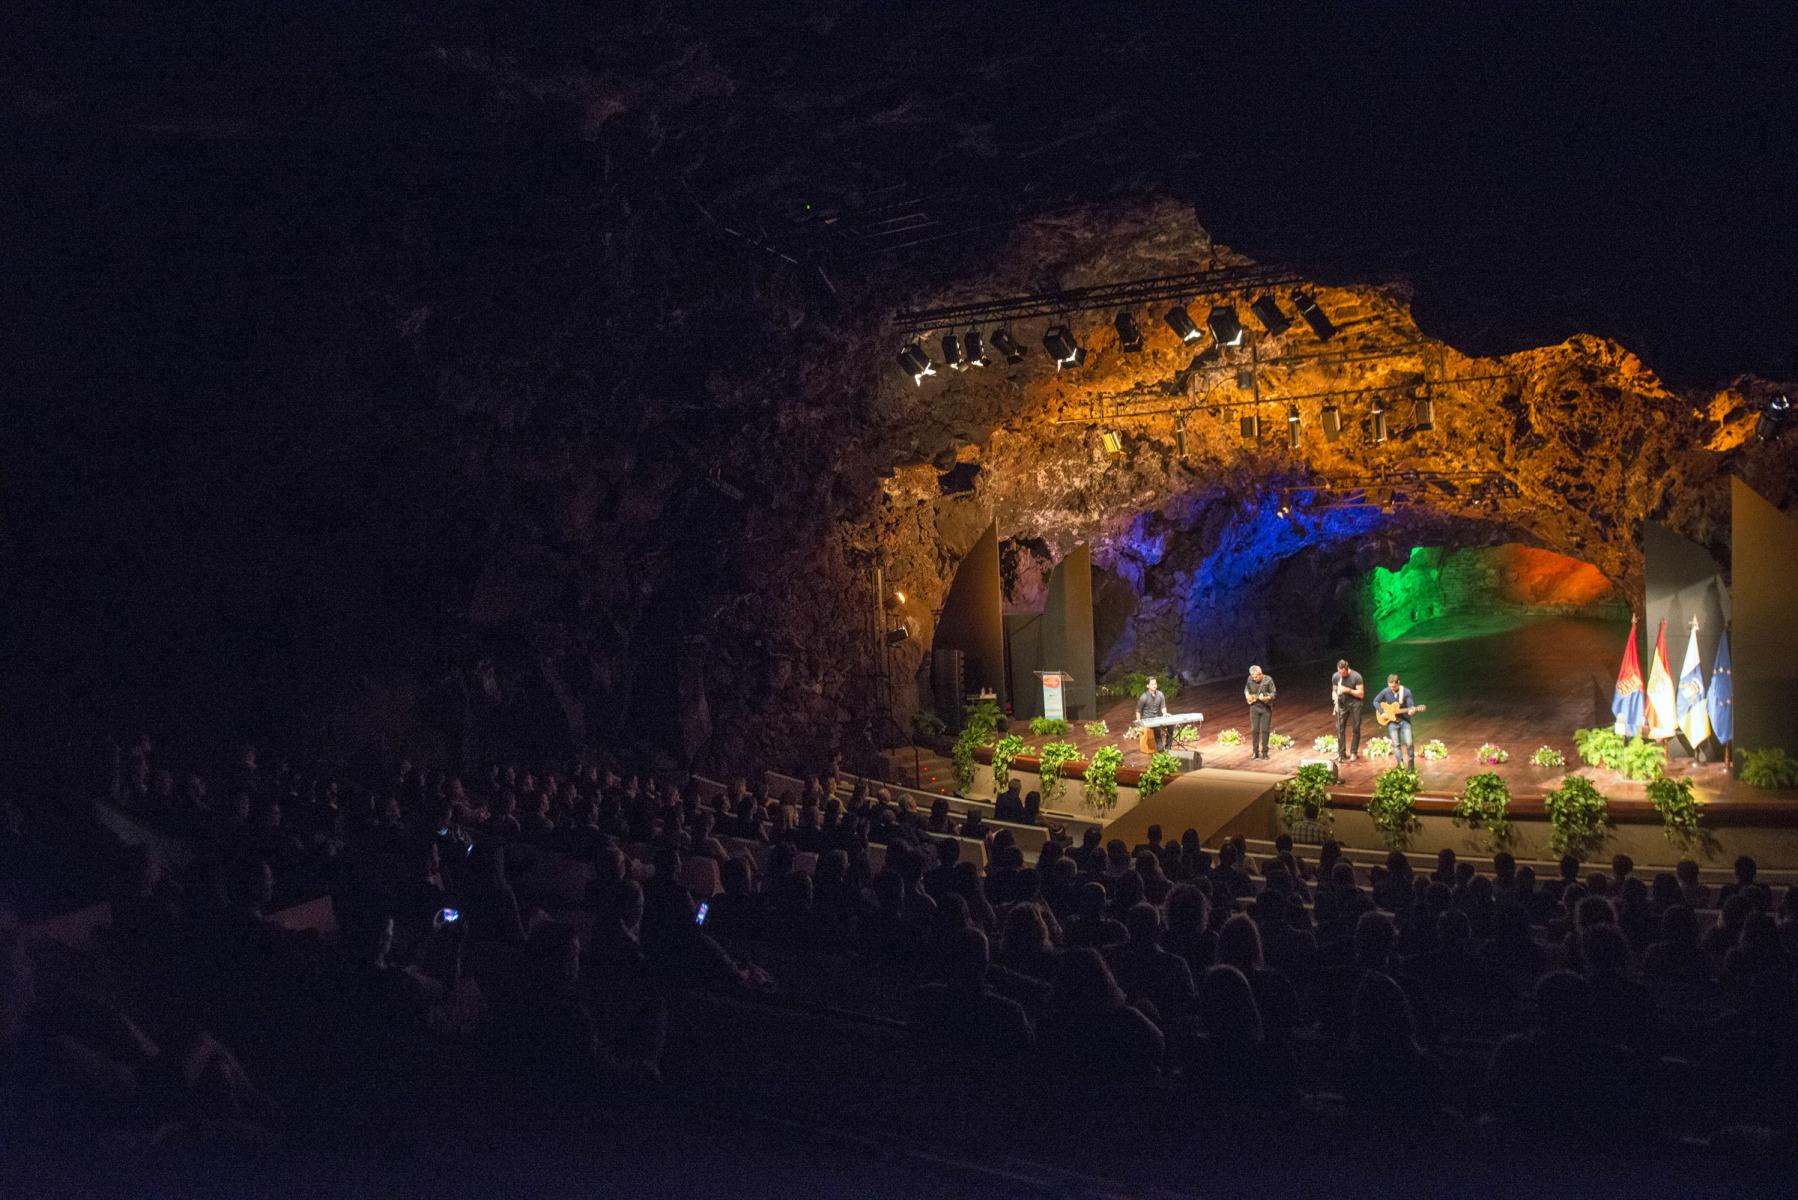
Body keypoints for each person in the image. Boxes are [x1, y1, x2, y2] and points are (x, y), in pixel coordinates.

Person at [1371, 673, 1421, 770]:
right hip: (1392, 722)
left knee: (1409, 743)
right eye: (1390, 687)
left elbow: (1411, 707)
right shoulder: (1386, 691)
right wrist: (1382, 713)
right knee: (1396, 745)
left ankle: (1411, 768)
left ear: (1398, 683)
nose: (1392, 689)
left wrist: (1412, 712)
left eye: (1393, 687)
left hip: (1405, 721)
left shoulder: (1406, 692)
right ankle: (1400, 767)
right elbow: (1375, 701)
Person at [1330, 659, 1365, 762]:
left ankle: (1354, 752)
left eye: (1342, 673)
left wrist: (1348, 690)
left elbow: (1361, 694)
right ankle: (1341, 753)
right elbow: (1334, 689)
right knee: (1339, 727)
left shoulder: (1356, 676)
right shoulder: (1336, 676)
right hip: (1342, 704)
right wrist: (1334, 695)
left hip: (1355, 704)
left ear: (1347, 669)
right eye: (1339, 672)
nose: (1340, 675)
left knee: (1356, 728)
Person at [1243, 665, 1276, 759]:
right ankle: (1255, 752)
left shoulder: (1268, 680)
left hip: (1266, 708)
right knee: (1254, 730)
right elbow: (1246, 689)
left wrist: (1265, 697)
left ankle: (1265, 752)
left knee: (1265, 730)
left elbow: (1273, 694)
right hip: (1254, 707)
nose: (1254, 678)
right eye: (1253, 677)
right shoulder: (1250, 679)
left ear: (1261, 674)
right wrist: (1247, 695)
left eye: (1256, 677)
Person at [1137, 677, 1172, 751]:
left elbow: (1163, 707)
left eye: (1155, 683)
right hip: (1147, 720)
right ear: (1148, 686)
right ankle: (1160, 749)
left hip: (1157, 718)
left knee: (1171, 724)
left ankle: (1168, 747)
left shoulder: (1160, 694)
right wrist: (1139, 725)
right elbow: (1138, 711)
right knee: (1157, 727)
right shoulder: (1144, 697)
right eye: (1152, 684)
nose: (1154, 685)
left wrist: (1165, 713)